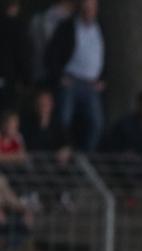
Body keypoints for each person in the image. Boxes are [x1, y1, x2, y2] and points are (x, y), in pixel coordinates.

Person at [45, 0, 105, 152]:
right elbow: (53, 53)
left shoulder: (100, 29)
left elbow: (104, 56)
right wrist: (59, 76)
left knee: (95, 122)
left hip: (91, 83)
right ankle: (63, 151)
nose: (88, 12)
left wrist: (103, 78)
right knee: (64, 120)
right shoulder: (68, 27)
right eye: (86, 8)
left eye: (91, 8)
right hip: (71, 80)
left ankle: (84, 157)